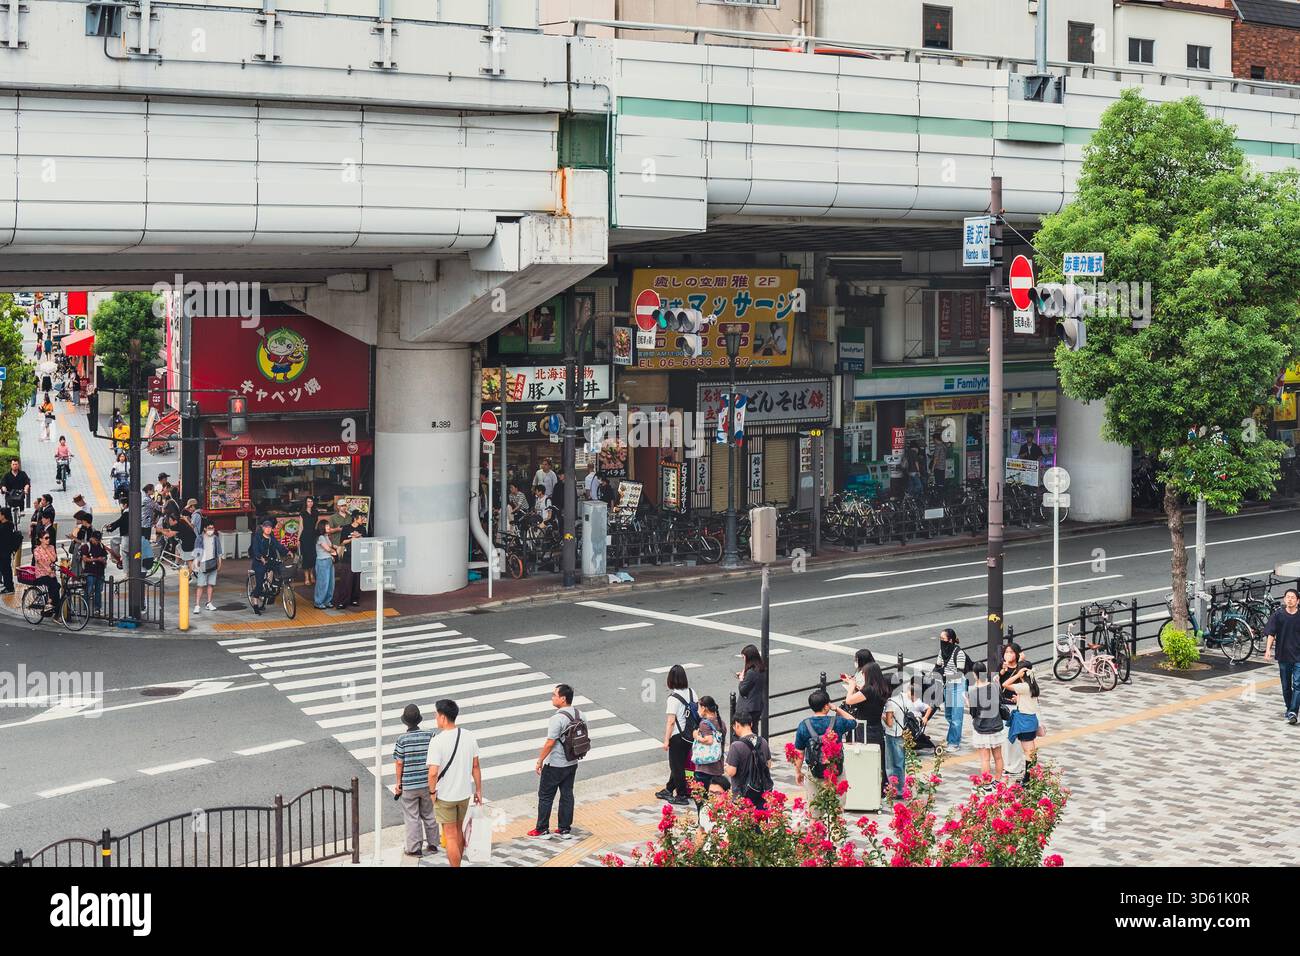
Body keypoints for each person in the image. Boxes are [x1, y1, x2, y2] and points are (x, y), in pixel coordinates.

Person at [425, 698, 483, 869]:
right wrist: (478, 790)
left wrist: (432, 791)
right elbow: (476, 766)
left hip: (445, 796)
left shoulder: (437, 741)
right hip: (464, 793)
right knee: (458, 831)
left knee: (450, 835)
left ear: (442, 717)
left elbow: (433, 772)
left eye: (436, 715)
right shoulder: (469, 736)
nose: (436, 718)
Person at [530, 684, 580, 838]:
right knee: (567, 794)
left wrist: (540, 760)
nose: (552, 697)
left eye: (554, 695)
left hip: (555, 764)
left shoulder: (557, 718)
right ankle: (564, 829)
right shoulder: (579, 714)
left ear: (563, 698)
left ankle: (542, 828)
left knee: (545, 796)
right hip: (572, 762)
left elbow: (550, 743)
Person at [392, 704, 439, 858]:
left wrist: (398, 783)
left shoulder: (402, 739)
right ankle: (433, 845)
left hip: (409, 785)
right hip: (427, 783)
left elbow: (399, 763)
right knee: (429, 814)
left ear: (405, 722)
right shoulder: (429, 735)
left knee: (412, 817)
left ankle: (414, 848)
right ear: (419, 720)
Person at [792, 689, 857, 801]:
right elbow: (853, 722)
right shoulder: (838, 722)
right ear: (826, 706)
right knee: (836, 808)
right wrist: (836, 708)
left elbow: (799, 753)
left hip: (815, 771)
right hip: (835, 771)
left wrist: (798, 772)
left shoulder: (804, 725)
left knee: (815, 810)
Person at [841, 649, 890, 794]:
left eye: (863, 674)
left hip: (864, 729)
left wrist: (851, 686)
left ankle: (865, 788)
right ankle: (881, 788)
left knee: (863, 757)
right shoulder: (881, 688)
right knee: (877, 760)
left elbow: (849, 700)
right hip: (877, 728)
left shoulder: (869, 690)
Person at [656, 664, 695, 806]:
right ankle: (668, 788)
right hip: (690, 734)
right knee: (679, 763)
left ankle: (681, 794)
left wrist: (666, 740)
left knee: (676, 766)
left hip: (678, 737)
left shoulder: (673, 699)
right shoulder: (692, 692)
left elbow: (671, 722)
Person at [1001, 645, 1041, 782]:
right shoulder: (1033, 686)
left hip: (1025, 721)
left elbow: (1005, 684)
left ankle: (1029, 778)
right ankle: (1031, 776)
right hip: (1031, 720)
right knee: (1031, 750)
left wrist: (1017, 675)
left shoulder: (1024, 686)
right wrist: (1019, 699)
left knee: (1028, 752)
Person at [1263, 587, 1300, 724]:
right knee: (1286, 685)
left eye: (1293, 597)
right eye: (1287, 597)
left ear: (1298, 601)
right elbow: (1271, 634)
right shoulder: (1278, 616)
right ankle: (1289, 708)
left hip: (1298, 656)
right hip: (1283, 655)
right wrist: (1268, 650)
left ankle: (1293, 711)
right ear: (1284, 599)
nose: (1290, 599)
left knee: (1298, 684)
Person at [724, 711, 772, 810]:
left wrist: (725, 767)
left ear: (736, 725)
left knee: (745, 822)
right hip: (761, 791)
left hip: (743, 794)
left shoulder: (736, 746)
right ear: (751, 724)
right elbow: (769, 764)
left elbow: (731, 772)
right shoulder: (763, 741)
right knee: (761, 819)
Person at [967, 662, 1006, 781]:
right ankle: (998, 781)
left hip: (981, 727)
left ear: (974, 674)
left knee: (985, 759)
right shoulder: (994, 686)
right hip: (996, 725)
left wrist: (968, 703)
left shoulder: (973, 691)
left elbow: (973, 713)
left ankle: (986, 783)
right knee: (998, 757)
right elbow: (1001, 701)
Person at [934, 627, 969, 753]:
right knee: (948, 715)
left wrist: (944, 676)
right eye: (940, 639)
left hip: (958, 686)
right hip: (947, 685)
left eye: (943, 639)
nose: (941, 641)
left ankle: (954, 742)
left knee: (956, 716)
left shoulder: (959, 653)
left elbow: (959, 673)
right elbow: (938, 666)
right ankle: (952, 737)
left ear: (950, 640)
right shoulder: (941, 651)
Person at [248, 517, 287, 615]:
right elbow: (255, 550)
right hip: (259, 562)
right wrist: (260, 558)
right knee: (260, 582)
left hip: (269, 560)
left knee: (279, 570)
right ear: (263, 528)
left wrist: (287, 551)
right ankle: (256, 603)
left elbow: (278, 546)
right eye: (266, 527)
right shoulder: (257, 537)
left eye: (270, 527)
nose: (268, 529)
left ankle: (271, 589)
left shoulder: (271, 537)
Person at [690, 696, 726, 798]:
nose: (698, 710)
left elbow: (709, 740)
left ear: (704, 708)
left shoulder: (704, 724)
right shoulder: (721, 723)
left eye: (699, 707)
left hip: (704, 769)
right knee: (715, 800)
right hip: (718, 767)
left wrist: (696, 736)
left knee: (701, 799)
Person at [333, 510, 367, 609]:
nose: (363, 520)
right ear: (355, 518)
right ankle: (343, 601)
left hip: (359, 556)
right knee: (346, 579)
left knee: (357, 579)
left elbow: (365, 541)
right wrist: (352, 539)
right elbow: (342, 542)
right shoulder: (346, 528)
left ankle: (354, 599)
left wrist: (359, 538)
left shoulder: (363, 529)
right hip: (348, 556)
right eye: (361, 518)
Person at [191, 522, 222, 613]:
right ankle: (197, 605)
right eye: (209, 528)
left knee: (210, 584)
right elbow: (197, 551)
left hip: (213, 564)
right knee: (200, 585)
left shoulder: (216, 538)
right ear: (205, 529)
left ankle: (209, 603)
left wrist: (219, 563)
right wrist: (196, 563)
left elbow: (219, 552)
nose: (211, 530)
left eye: (212, 528)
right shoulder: (200, 538)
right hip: (203, 565)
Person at [736, 644, 768, 727]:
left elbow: (743, 690)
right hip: (757, 705)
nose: (743, 660)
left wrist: (741, 679)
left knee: (746, 731)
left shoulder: (751, 672)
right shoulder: (761, 669)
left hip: (748, 707)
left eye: (743, 657)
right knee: (754, 729)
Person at [80, 528, 108, 615]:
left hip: (100, 571)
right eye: (96, 540)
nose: (97, 542)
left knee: (98, 591)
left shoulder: (101, 546)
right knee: (89, 589)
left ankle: (97, 608)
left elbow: (105, 557)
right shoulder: (86, 546)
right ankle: (86, 607)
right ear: (91, 538)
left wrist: (103, 560)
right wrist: (97, 559)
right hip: (90, 572)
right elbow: (84, 559)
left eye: (99, 540)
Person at [32, 530, 60, 615]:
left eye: (49, 538)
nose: (48, 539)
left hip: (51, 573)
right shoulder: (37, 550)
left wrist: (46, 549)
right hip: (41, 574)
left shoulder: (51, 547)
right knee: (56, 586)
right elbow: (39, 561)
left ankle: (55, 611)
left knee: (56, 592)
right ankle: (49, 604)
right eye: (46, 538)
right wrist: (46, 568)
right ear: (41, 539)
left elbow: (53, 559)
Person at [313, 516, 337, 610]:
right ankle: (318, 602)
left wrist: (331, 555)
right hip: (322, 562)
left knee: (331, 582)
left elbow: (329, 547)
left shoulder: (326, 536)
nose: (328, 527)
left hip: (328, 561)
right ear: (322, 527)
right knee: (323, 582)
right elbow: (327, 549)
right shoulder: (321, 537)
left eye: (328, 526)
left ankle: (327, 601)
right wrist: (334, 552)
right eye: (327, 526)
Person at [297, 495, 318, 586]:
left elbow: (316, 526)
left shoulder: (316, 512)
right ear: (305, 502)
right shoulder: (302, 513)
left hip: (313, 536)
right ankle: (306, 577)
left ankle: (312, 574)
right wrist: (298, 539)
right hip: (305, 536)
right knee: (306, 556)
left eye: (311, 501)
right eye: (308, 501)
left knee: (313, 556)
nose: (310, 503)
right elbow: (301, 527)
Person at [0, 511, 19, 593]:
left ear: (4, 515)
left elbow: (4, 540)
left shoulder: (6, 526)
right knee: (5, 569)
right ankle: (7, 585)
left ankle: (9, 587)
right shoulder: (8, 524)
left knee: (6, 569)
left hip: (4, 551)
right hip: (5, 551)